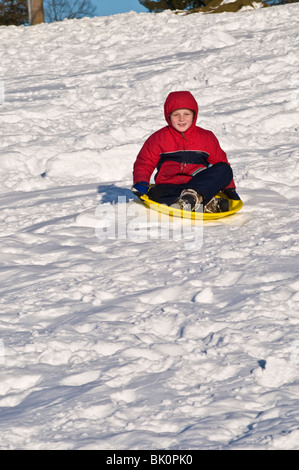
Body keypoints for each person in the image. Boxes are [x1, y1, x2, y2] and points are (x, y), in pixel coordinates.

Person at [132, 91, 240, 212]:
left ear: (194, 115)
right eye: (176, 115)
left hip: (198, 185)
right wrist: (141, 182)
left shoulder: (206, 137)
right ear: (168, 116)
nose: (181, 118)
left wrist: (229, 188)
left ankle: (193, 197)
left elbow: (219, 162)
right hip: (169, 187)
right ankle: (203, 203)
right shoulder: (158, 139)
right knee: (154, 193)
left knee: (224, 168)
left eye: (186, 114)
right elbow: (145, 162)